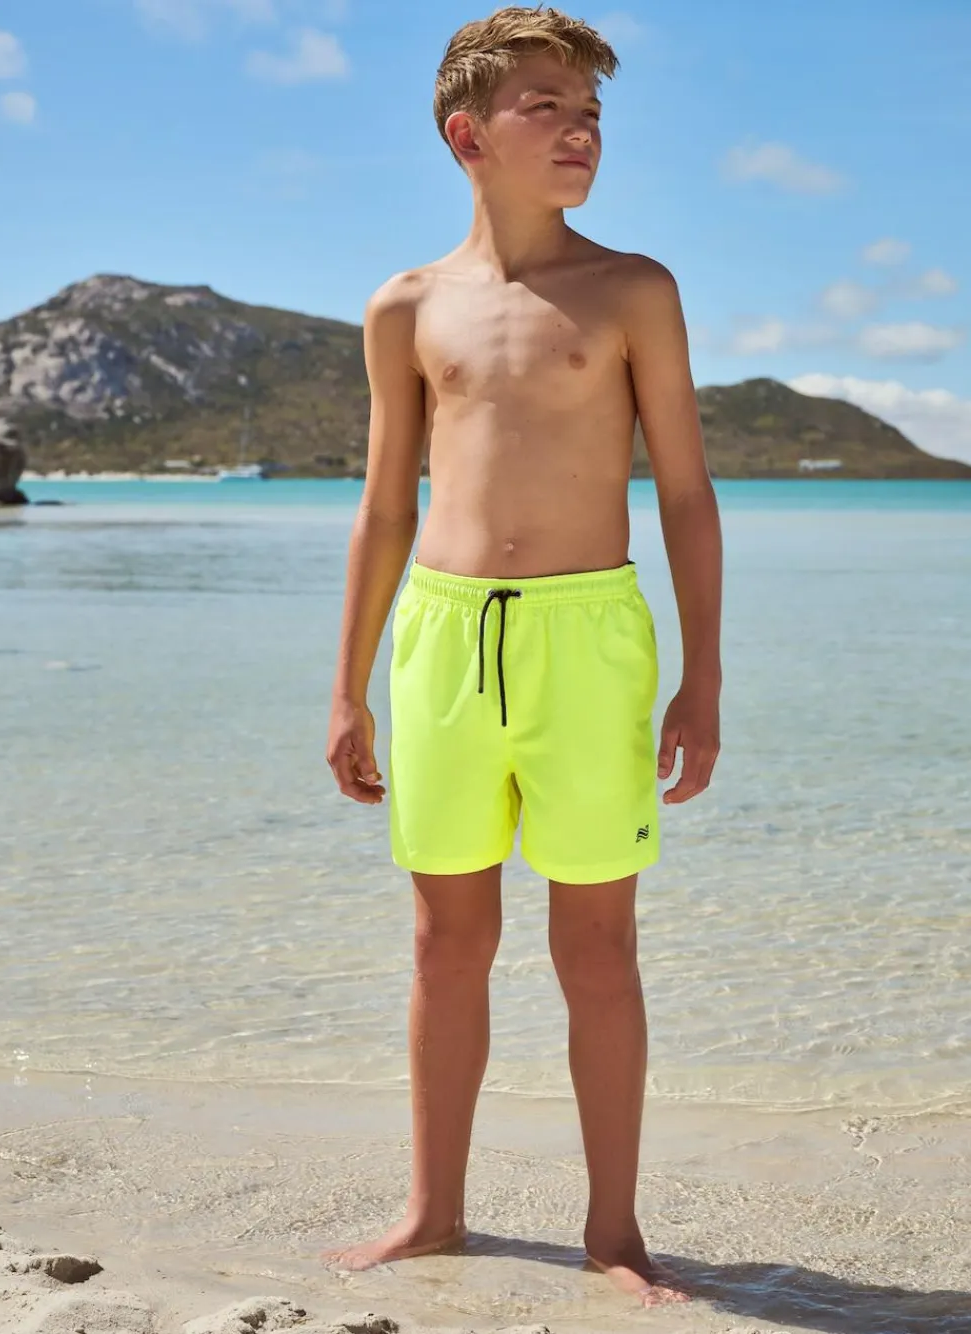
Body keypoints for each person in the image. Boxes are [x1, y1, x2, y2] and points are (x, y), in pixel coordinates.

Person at [324, 4, 721, 1310]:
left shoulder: (634, 290)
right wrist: (347, 688)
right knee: (447, 939)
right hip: (442, 640)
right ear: (467, 135)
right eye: (546, 106)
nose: (579, 131)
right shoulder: (405, 306)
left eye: (592, 113)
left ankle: (615, 1230)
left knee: (597, 945)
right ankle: (434, 1211)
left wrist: (703, 675)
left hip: (587, 638)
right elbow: (384, 506)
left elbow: (686, 495)